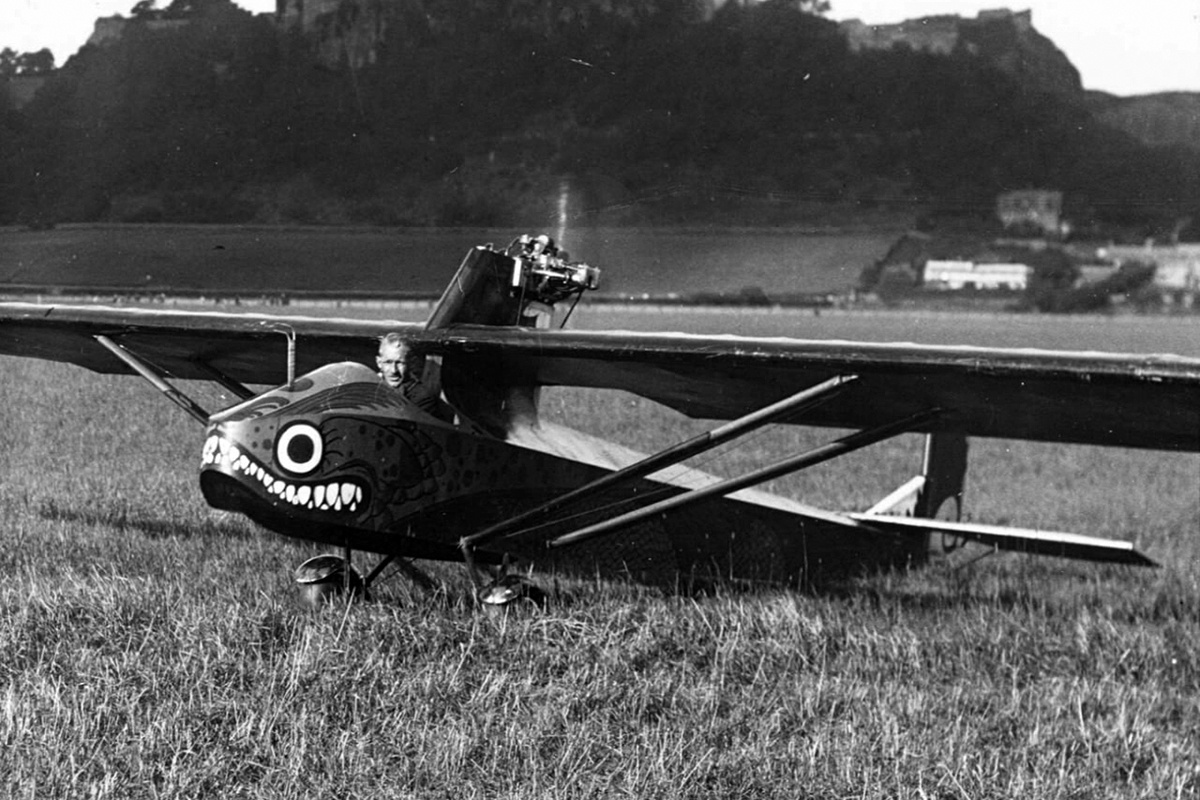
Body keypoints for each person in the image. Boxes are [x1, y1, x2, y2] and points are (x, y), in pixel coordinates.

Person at [376, 332, 449, 420]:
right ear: (379, 363)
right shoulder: (370, 385)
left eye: (400, 363)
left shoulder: (422, 397)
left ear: (411, 363)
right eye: (388, 362)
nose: (393, 370)